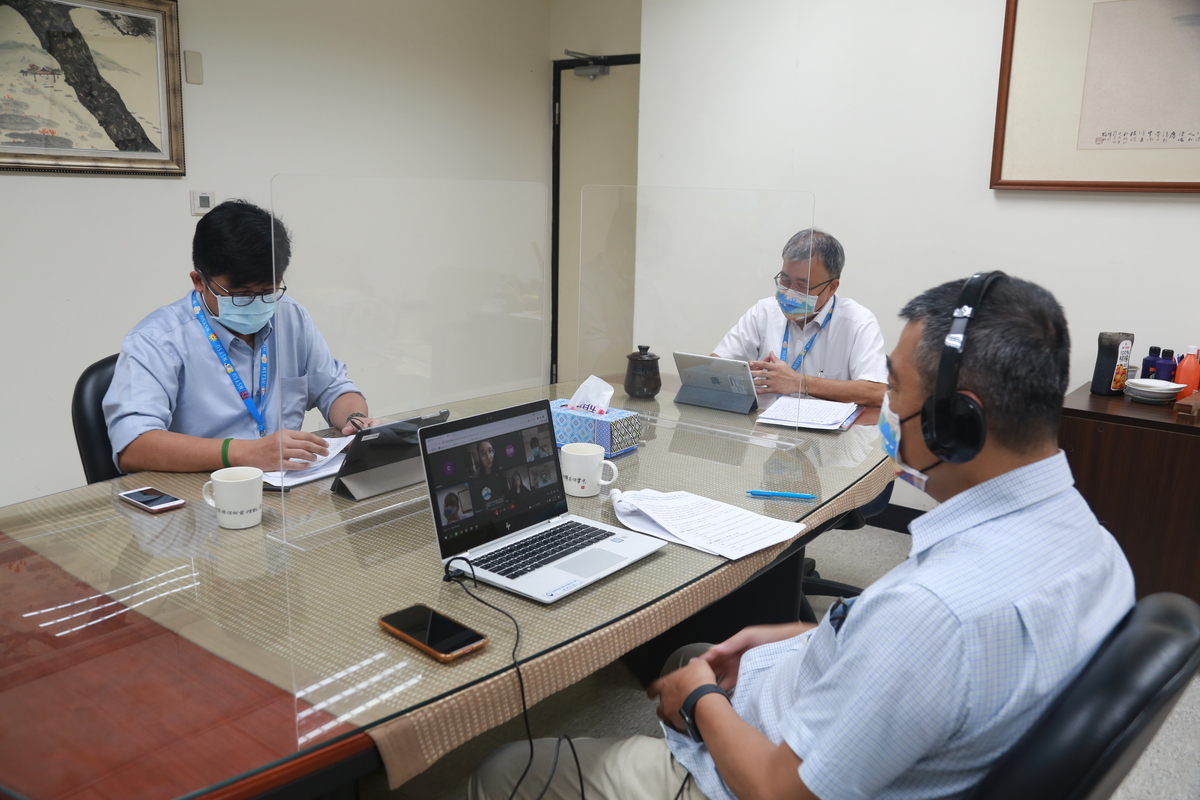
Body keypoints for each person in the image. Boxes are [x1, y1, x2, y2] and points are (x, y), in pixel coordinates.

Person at [470, 274, 1135, 800]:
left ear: (956, 424)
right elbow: (908, 655)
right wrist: (799, 636)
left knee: (503, 768)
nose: (882, 411)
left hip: (764, 775)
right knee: (693, 652)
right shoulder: (1096, 547)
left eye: (893, 393)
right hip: (831, 704)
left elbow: (782, 790)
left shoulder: (933, 615)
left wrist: (699, 702)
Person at [104, 200, 383, 473]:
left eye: (267, 292)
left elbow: (334, 389)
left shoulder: (290, 316)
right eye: (241, 295)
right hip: (201, 493)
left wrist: (354, 420)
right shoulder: (157, 340)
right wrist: (245, 453)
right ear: (199, 281)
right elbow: (133, 446)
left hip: (282, 489)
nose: (258, 304)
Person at [712, 229, 886, 407]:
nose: (790, 293)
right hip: (762, 429)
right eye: (785, 281)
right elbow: (712, 367)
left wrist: (799, 383)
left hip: (826, 433)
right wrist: (739, 374)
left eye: (803, 286)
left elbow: (877, 393)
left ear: (832, 287)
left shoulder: (858, 322)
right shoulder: (764, 312)